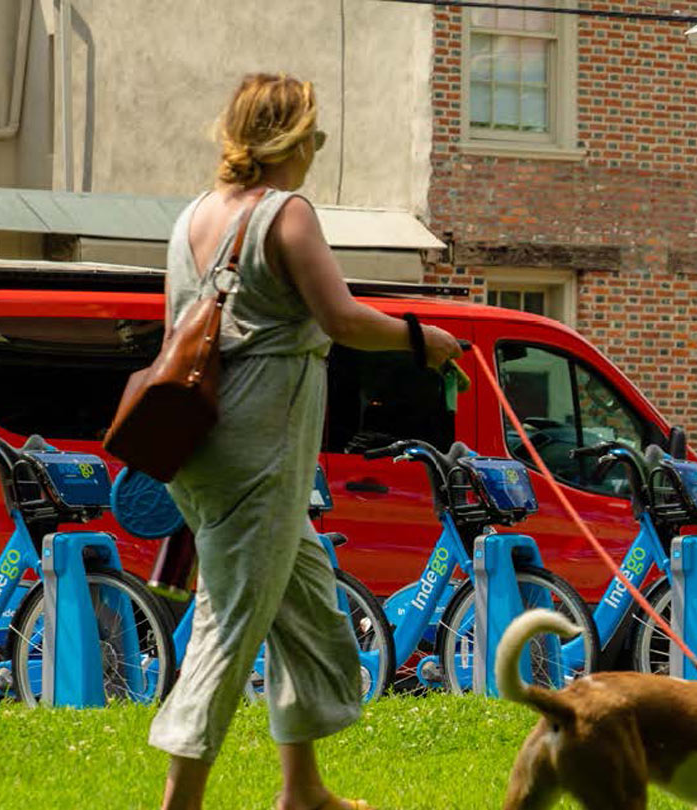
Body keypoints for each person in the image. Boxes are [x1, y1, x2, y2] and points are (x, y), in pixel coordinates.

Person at [149, 73, 460, 810]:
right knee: (228, 628)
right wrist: (426, 341)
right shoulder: (287, 215)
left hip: (200, 446)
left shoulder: (193, 215)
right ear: (292, 140)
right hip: (259, 455)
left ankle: (303, 790)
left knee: (308, 607)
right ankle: (177, 805)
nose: (318, 150)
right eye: (315, 137)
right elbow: (344, 318)